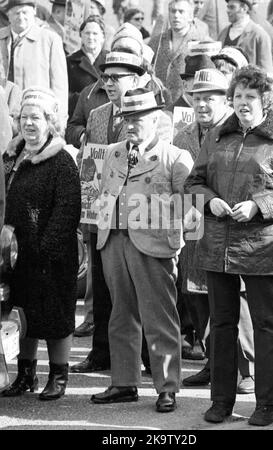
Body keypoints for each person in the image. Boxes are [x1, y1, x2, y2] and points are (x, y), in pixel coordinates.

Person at [184, 64, 273, 426]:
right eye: (237, 97)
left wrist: (257, 205)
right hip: (217, 243)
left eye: (250, 97)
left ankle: (267, 404)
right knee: (221, 324)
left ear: (265, 101)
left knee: (267, 325)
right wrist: (209, 201)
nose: (243, 103)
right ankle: (221, 401)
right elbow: (193, 182)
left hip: (263, 245)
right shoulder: (217, 135)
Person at [90, 87, 194, 412]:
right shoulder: (111, 152)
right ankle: (123, 382)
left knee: (159, 316)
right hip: (113, 242)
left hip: (153, 247)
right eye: (127, 118)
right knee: (120, 314)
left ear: (155, 119)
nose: (132, 124)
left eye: (139, 118)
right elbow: (97, 193)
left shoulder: (176, 157)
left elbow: (190, 210)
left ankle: (167, 387)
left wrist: (173, 240)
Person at [70, 50, 148, 374]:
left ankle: (148, 358)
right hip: (100, 212)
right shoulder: (98, 113)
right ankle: (101, 352)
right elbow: (89, 160)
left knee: (139, 291)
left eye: (117, 77)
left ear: (135, 79)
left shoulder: (148, 111)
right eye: (106, 77)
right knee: (100, 287)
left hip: (135, 214)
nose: (110, 82)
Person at [2, 87, 81, 400]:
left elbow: (67, 211)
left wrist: (45, 250)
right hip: (17, 256)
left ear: (51, 122)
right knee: (22, 315)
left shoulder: (62, 162)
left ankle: (58, 377)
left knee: (56, 316)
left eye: (36, 117)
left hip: (53, 257)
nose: (29, 124)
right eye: (24, 117)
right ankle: (25, 375)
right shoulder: (15, 159)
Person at [0, 0, 68, 127]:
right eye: (16, 13)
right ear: (8, 15)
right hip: (3, 119)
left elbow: (60, 87)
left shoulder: (50, 40)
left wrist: (59, 123)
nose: (21, 17)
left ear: (34, 12)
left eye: (25, 12)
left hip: (38, 119)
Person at [148, 0, 210, 106]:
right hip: (159, 106)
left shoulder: (201, 43)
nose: (176, 15)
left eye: (181, 12)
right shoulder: (156, 42)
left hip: (187, 106)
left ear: (190, 17)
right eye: (173, 11)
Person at [67, 15, 107, 118]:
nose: (91, 37)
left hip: (105, 114)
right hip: (79, 115)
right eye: (87, 33)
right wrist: (81, 98)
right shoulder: (70, 61)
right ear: (81, 35)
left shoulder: (110, 60)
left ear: (102, 36)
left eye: (95, 33)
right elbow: (65, 93)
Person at [218, 0, 273, 73]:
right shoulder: (223, 33)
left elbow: (266, 71)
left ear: (244, 8)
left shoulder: (259, 35)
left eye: (232, 7)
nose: (228, 11)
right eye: (227, 7)